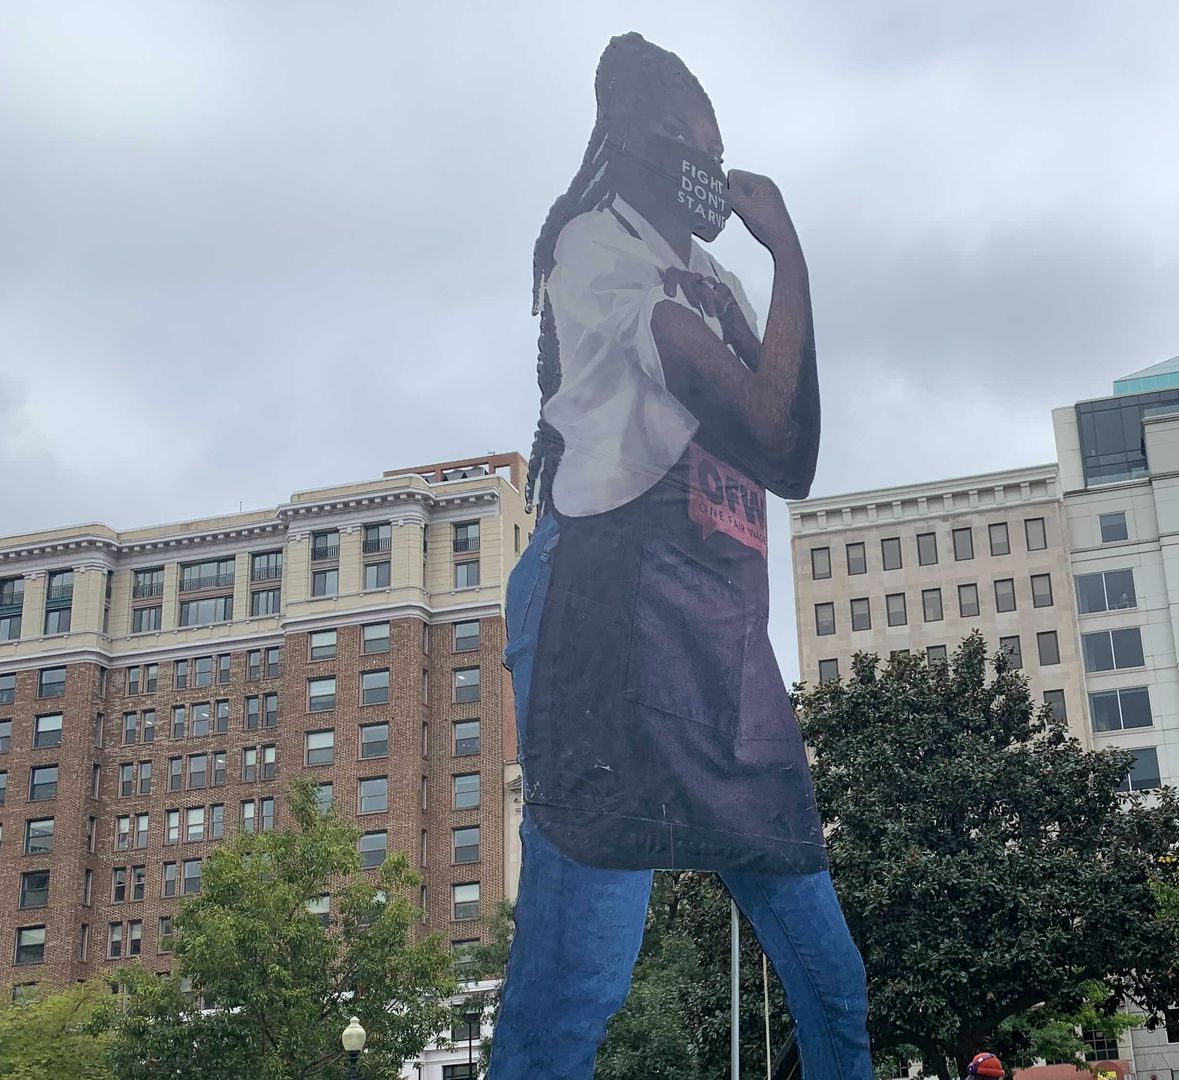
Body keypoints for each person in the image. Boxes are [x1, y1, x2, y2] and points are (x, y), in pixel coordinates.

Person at [488, 32, 869, 1080]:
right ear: (631, 143)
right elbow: (753, 416)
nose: (709, 172)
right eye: (686, 148)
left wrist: (788, 265)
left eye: (719, 148)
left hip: (717, 616)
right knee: (577, 985)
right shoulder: (590, 244)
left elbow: (789, 451)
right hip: (603, 604)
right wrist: (786, 261)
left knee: (832, 977)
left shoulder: (718, 283)